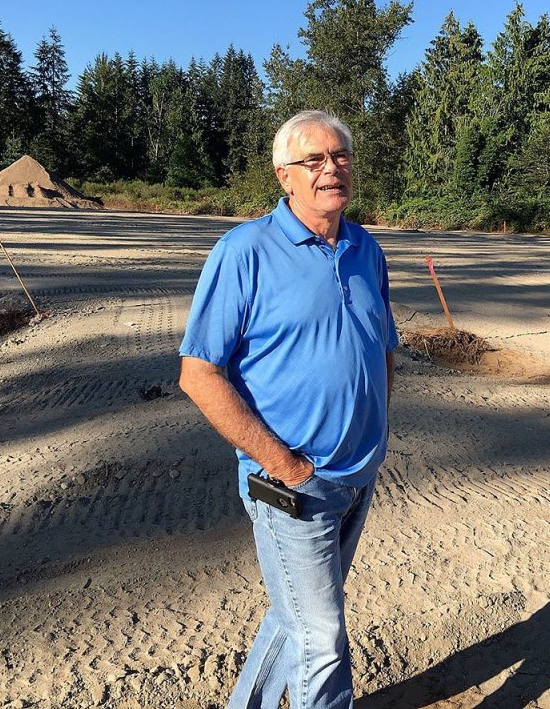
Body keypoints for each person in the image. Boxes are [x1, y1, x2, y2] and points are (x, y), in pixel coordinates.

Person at [178, 110, 398, 709]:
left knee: (296, 615)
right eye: (315, 160)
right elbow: (199, 375)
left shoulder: (366, 249)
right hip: (292, 483)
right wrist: (285, 464)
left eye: (342, 157)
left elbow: (382, 349)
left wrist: (375, 435)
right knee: (322, 638)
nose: (333, 169)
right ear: (285, 176)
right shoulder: (245, 251)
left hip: (357, 475)